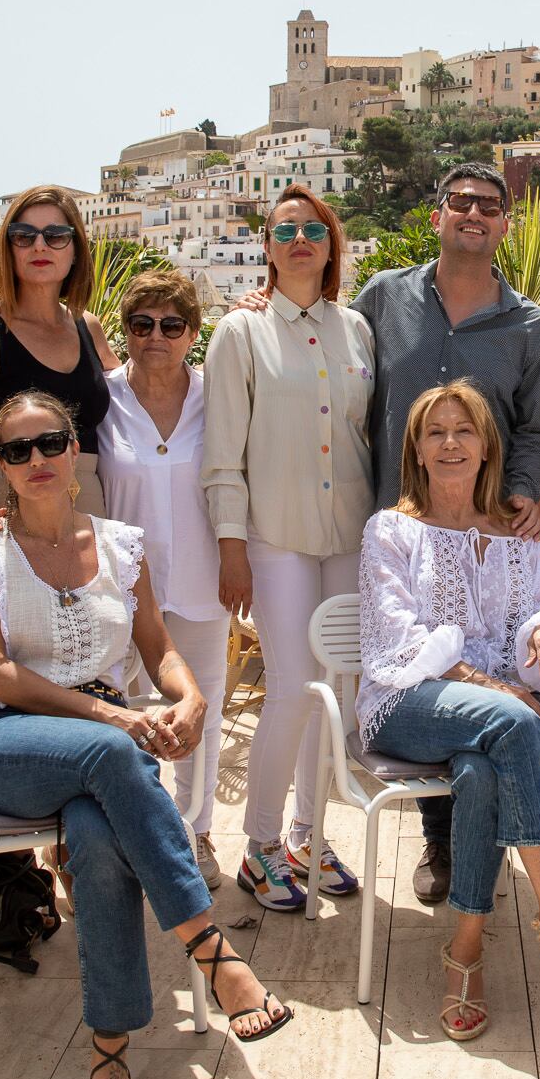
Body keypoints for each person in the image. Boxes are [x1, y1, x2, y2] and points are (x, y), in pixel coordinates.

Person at [0, 390, 292, 1079]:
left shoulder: (120, 545)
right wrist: (113, 719)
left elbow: (158, 648)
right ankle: (211, 949)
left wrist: (192, 694)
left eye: (50, 441)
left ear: (76, 449)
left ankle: (109, 1058)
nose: (36, 459)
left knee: (100, 838)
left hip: (99, 759)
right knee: (114, 753)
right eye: (17, 449)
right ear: (0, 466)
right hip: (4, 745)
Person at [359, 382, 540, 1040]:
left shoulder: (520, 537)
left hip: (491, 719)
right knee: (512, 721)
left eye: (464, 431)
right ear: (416, 451)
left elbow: (535, 637)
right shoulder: (391, 530)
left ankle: (466, 954)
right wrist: (496, 686)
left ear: (486, 448)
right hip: (406, 702)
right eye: (435, 432)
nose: (450, 443)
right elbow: (397, 642)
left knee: (482, 769)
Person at [350, 162, 540, 905]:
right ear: (437, 215)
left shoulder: (531, 326)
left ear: (506, 225)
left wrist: (525, 494)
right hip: (399, 527)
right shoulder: (380, 298)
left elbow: (536, 426)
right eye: (461, 201)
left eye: (490, 206)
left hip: (480, 527)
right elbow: (332, 361)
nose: (474, 213)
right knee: (432, 666)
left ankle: (453, 859)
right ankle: (522, 884)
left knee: (468, 658)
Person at [203, 184, 374, 909]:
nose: (299, 239)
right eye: (284, 230)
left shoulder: (358, 329)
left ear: (332, 244)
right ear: (266, 247)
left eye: (313, 228)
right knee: (292, 688)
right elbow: (222, 454)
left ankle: (309, 833)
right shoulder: (239, 333)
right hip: (274, 538)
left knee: (334, 690)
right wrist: (231, 546)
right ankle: (261, 844)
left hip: (348, 534)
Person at [98, 269, 232, 888]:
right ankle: (125, 836)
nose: (156, 336)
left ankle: (197, 832)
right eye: (141, 324)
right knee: (118, 710)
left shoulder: (219, 396)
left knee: (200, 709)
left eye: (171, 325)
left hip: (205, 581)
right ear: (124, 331)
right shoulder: (101, 399)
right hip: (119, 589)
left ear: (192, 333)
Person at [0, 185, 117, 533]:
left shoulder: (89, 327)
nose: (40, 245)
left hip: (85, 512)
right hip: (0, 510)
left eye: (55, 235)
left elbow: (146, 387)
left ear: (76, 250)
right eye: (23, 236)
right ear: (9, 249)